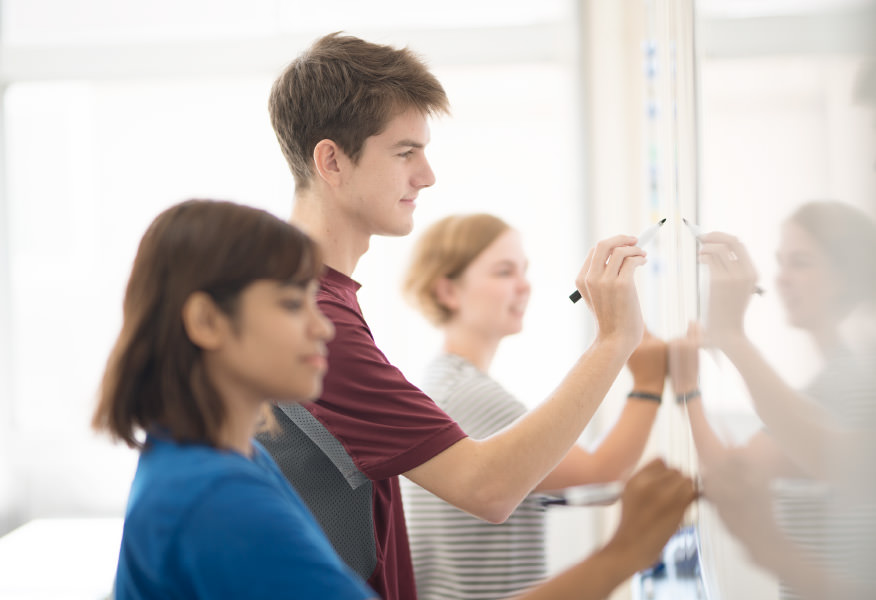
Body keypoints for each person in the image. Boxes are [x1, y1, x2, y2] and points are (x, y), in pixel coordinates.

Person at [256, 31, 671, 600]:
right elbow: (490, 487)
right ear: (331, 160)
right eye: (405, 153)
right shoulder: (313, 316)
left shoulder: (317, 299)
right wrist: (614, 340)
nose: (426, 176)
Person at [91, 199, 374, 599]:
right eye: (293, 304)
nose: (323, 328)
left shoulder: (218, 456)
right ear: (207, 321)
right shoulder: (217, 499)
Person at [400, 213, 666, 600]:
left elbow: (577, 483)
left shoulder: (449, 382)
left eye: (523, 270)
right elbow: (601, 471)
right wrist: (648, 383)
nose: (524, 285)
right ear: (448, 292)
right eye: (504, 271)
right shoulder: (466, 393)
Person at [669, 200, 876, 599]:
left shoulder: (854, 381)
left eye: (800, 262)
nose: (780, 278)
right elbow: (742, 468)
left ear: (846, 274)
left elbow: (739, 472)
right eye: (780, 262)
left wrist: (700, 374)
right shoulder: (836, 378)